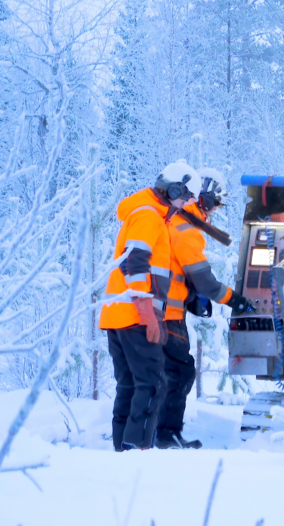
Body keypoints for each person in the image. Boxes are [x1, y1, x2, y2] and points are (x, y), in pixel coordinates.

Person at [99, 161, 202, 451]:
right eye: (186, 197)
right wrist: (148, 313)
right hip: (135, 315)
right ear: (174, 189)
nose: (186, 204)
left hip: (118, 314)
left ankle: (124, 450)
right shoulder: (149, 216)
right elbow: (136, 263)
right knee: (153, 384)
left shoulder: (145, 213)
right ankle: (137, 452)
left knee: (130, 385)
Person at [155, 167, 255, 449]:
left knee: (161, 373)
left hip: (162, 310)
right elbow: (206, 282)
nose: (213, 213)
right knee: (180, 372)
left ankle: (154, 432)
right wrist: (234, 299)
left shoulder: (174, 221)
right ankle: (165, 434)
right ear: (205, 200)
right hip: (168, 315)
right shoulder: (186, 229)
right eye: (215, 205)